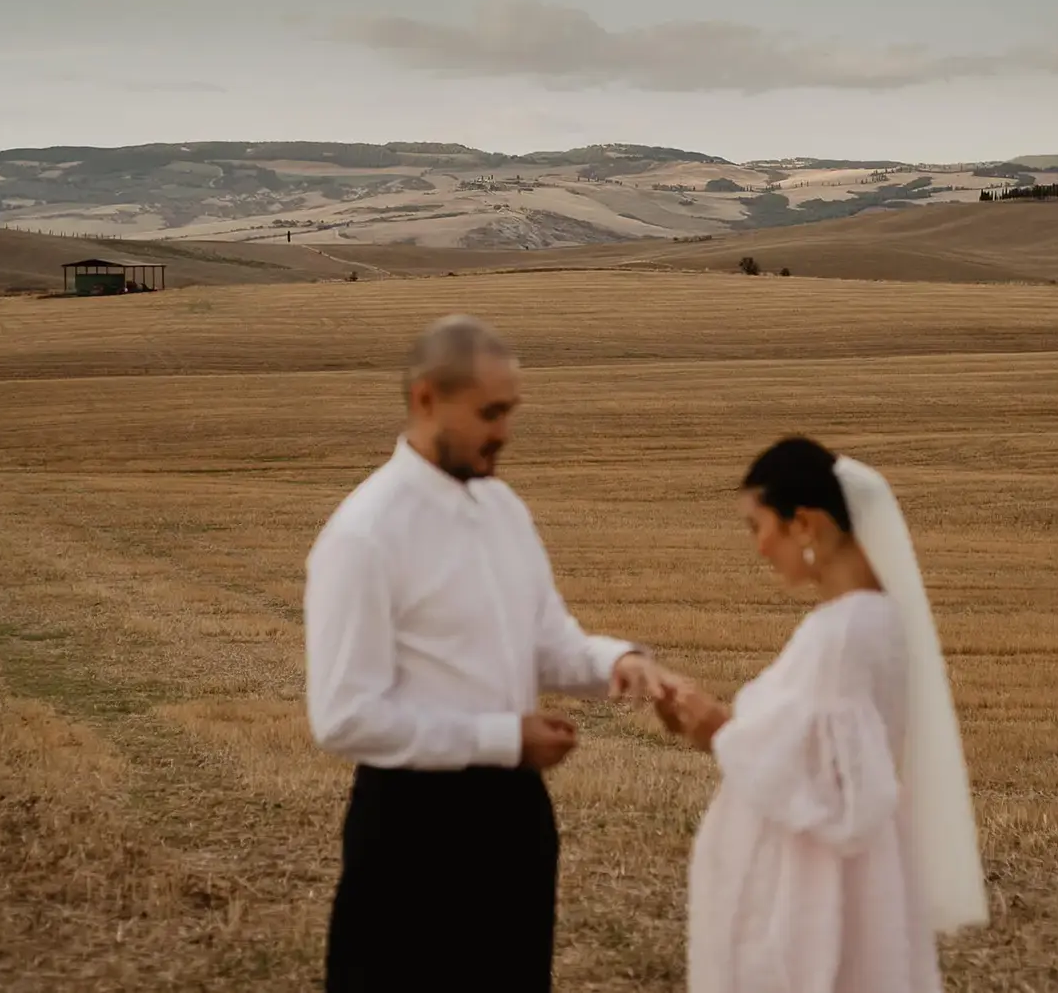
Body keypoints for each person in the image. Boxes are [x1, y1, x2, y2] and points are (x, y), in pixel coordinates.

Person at [304, 313, 676, 993]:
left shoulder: (505, 510)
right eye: (490, 412)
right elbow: (344, 717)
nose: (505, 430)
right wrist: (505, 738)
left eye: (510, 411)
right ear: (425, 399)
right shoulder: (363, 536)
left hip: (516, 822)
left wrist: (619, 663)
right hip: (411, 832)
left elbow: (547, 642)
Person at [655, 436, 989, 993]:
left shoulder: (847, 631)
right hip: (846, 866)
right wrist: (712, 730)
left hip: (817, 879)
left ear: (803, 525)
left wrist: (717, 729)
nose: (758, 547)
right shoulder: (868, 619)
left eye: (757, 526)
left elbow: (833, 787)